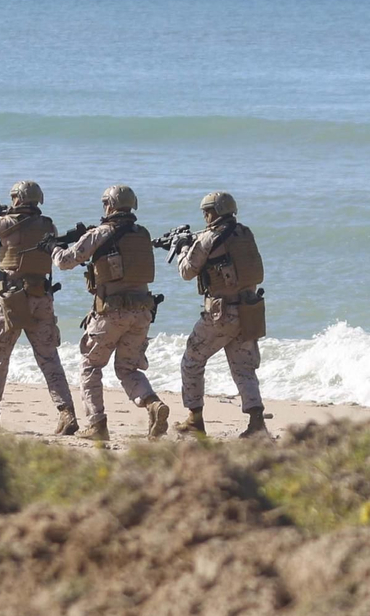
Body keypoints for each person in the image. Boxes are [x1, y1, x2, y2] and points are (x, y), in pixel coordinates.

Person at [52, 184, 170, 442]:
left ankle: (97, 424)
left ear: (109, 205)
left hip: (111, 312)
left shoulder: (100, 233)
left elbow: (65, 261)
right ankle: (152, 404)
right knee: (128, 368)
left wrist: (53, 248)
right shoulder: (142, 233)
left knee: (90, 365)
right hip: (143, 311)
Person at [0, 180, 78, 434]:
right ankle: (66, 412)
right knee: (49, 358)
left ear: (17, 199)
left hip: (11, 300)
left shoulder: (6, 223)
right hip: (42, 298)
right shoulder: (48, 225)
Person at [172, 191, 268, 438]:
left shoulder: (207, 239)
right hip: (249, 310)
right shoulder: (245, 234)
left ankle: (195, 419)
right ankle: (257, 423)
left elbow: (186, 271)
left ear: (213, 212)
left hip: (221, 314)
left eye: (206, 212)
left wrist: (183, 247)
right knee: (244, 368)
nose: (204, 216)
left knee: (191, 360)